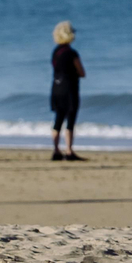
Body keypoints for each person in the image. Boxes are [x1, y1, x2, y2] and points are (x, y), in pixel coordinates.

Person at [49, 21, 86, 161]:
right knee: (70, 120)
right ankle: (69, 150)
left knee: (58, 120)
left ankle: (56, 149)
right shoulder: (71, 53)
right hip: (70, 88)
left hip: (56, 87)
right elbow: (82, 72)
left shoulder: (56, 52)